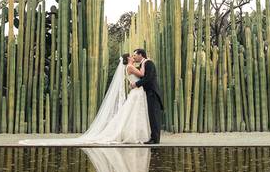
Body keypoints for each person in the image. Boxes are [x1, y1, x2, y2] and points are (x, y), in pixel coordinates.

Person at [19, 53, 151, 144]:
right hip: (136, 93)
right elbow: (142, 74)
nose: (133, 57)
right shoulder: (130, 67)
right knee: (131, 114)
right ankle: (133, 134)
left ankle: (134, 133)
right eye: (132, 56)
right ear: (128, 58)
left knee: (131, 114)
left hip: (136, 92)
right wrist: (145, 63)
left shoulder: (128, 67)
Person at [131, 49, 164, 144]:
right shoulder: (143, 64)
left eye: (135, 55)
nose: (134, 57)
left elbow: (148, 78)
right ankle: (153, 137)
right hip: (148, 93)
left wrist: (136, 84)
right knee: (151, 116)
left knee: (154, 116)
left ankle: (155, 139)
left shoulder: (149, 63)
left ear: (140, 55)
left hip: (152, 93)